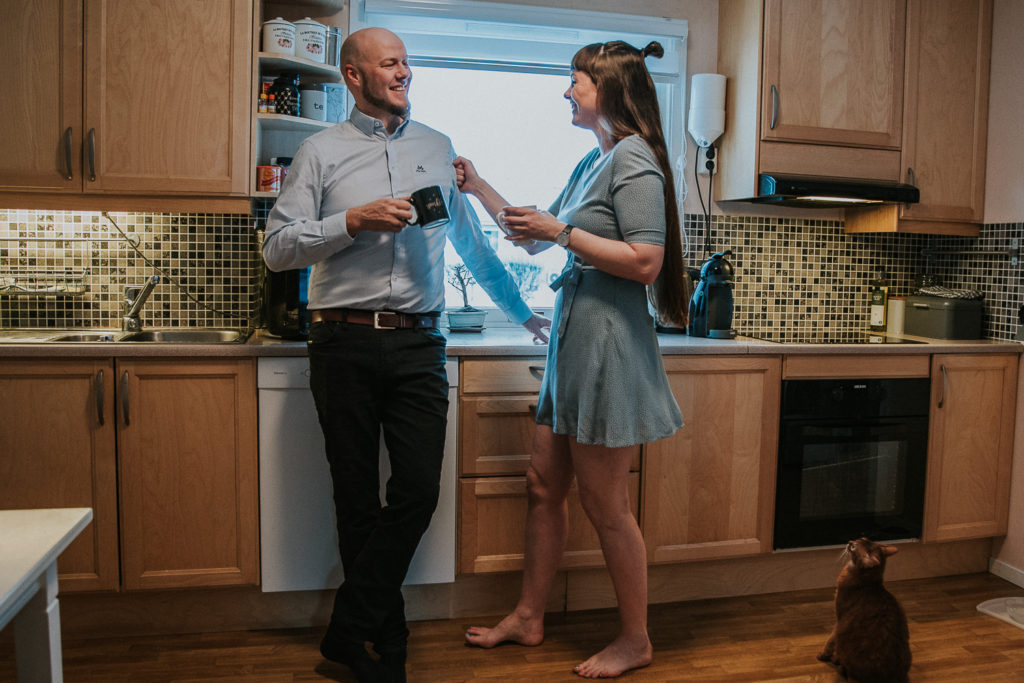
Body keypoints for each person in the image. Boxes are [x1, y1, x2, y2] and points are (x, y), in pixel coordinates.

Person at [262, 27, 549, 683]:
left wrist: (524, 312)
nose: (404, 73)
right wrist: (352, 222)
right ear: (354, 76)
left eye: (408, 64)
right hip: (343, 341)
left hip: (421, 342)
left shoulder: (438, 149)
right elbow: (278, 247)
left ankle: (345, 630)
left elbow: (473, 247)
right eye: (390, 63)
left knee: (417, 491)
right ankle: (386, 644)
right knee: (356, 500)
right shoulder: (319, 152)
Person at [457, 40, 691, 679]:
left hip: (608, 345)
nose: (566, 91)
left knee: (606, 505)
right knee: (543, 485)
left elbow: (646, 261)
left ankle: (635, 640)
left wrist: (560, 233)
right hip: (573, 339)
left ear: (608, 89)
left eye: (576, 81)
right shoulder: (596, 159)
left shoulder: (634, 158)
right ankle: (529, 617)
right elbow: (532, 237)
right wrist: (477, 186)